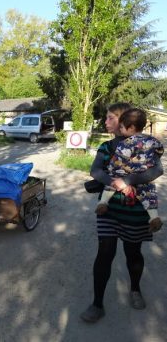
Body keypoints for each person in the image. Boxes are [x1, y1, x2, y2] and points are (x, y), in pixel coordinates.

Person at [80, 103, 164, 323]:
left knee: (133, 253)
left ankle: (135, 289)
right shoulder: (107, 147)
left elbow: (157, 170)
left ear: (124, 121)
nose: (105, 122)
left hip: (135, 211)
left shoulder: (145, 146)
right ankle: (97, 303)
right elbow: (95, 170)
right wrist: (114, 182)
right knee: (104, 254)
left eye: (109, 118)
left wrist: (128, 180)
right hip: (108, 209)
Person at [95, 108, 164, 229]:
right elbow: (160, 149)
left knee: (112, 183)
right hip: (144, 177)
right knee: (149, 195)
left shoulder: (125, 143)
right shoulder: (152, 140)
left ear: (131, 127)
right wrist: (153, 157)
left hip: (124, 174)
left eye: (121, 126)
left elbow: (118, 161)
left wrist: (114, 172)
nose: (120, 129)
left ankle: (103, 203)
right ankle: (154, 217)